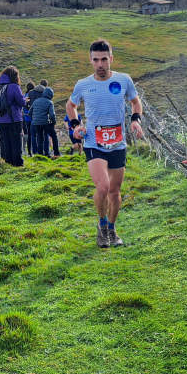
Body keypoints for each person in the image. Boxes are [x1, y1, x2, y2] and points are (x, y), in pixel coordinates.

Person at [65, 39, 143, 248]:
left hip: (117, 143)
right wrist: (75, 125)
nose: (100, 64)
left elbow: (135, 102)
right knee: (103, 186)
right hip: (93, 142)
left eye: (104, 59)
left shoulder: (124, 80)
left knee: (115, 192)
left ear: (111, 59)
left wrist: (136, 120)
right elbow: (71, 105)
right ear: (90, 61)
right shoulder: (83, 84)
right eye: (96, 60)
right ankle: (101, 226)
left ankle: (111, 228)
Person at [0, 66, 26, 167]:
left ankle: (7, 162)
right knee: (16, 141)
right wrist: (26, 100)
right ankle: (17, 163)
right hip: (14, 119)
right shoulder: (14, 86)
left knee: (5, 141)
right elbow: (21, 102)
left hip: (0, 119)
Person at [28, 80, 57, 157]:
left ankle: (40, 155)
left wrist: (34, 119)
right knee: (51, 136)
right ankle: (50, 153)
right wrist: (53, 122)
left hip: (35, 123)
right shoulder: (49, 102)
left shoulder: (36, 101)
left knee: (39, 138)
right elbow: (52, 115)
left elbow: (29, 113)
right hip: (45, 122)